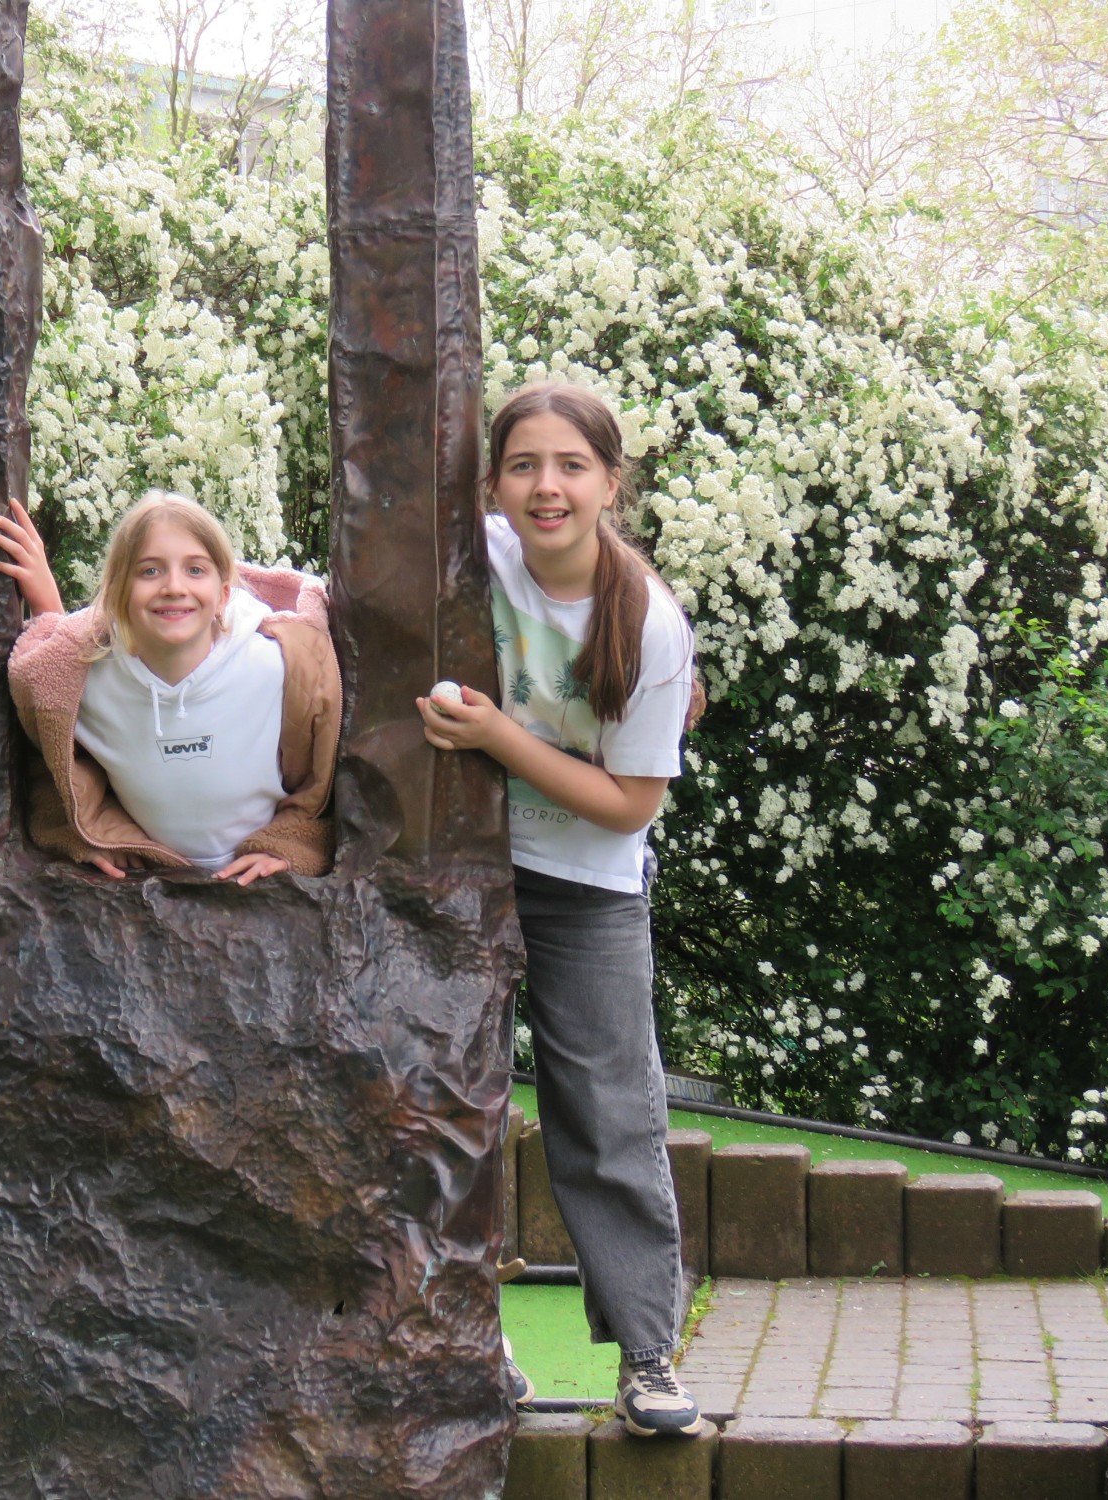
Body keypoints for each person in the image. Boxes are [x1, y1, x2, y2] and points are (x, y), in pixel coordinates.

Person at [415, 383, 708, 1438]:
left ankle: (645, 1356)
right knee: (448, 1102)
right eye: (523, 464)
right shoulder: (471, 561)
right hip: (463, 871)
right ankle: (467, 1342)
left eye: (571, 466)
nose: (547, 486)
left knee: (604, 1115)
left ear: (609, 483)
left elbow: (627, 804)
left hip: (587, 888)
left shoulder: (646, 623)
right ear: (492, 482)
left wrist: (499, 739)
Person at [0, 490, 340, 882]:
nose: (174, 586)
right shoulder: (85, 683)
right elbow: (53, 756)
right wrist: (98, 835)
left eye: (195, 570)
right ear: (118, 595)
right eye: (150, 571)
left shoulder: (278, 667)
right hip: (152, 882)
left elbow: (320, 779)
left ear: (224, 594)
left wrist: (290, 846)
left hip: (257, 884)